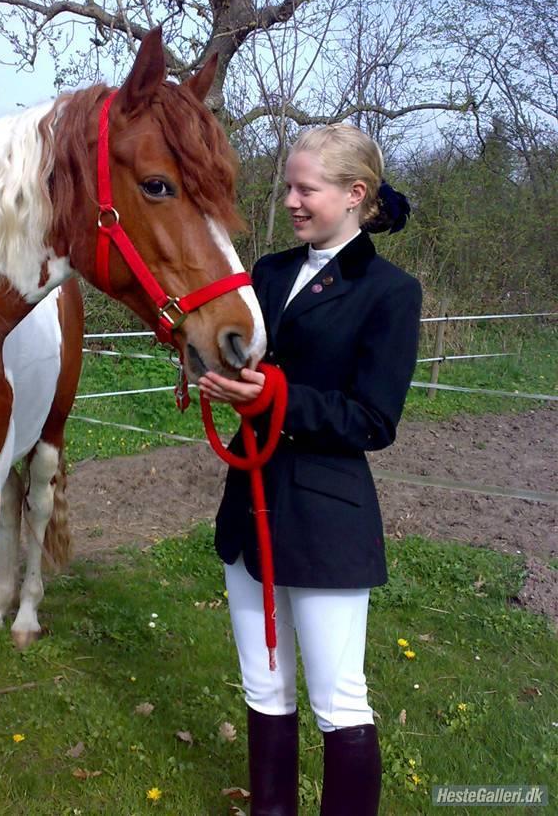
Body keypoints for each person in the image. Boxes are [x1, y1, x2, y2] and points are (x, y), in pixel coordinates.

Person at [198, 123, 422, 816]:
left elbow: (373, 420)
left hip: (326, 519)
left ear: (356, 195)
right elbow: (242, 357)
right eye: (288, 185)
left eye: (307, 188)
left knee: (337, 698)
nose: (291, 200)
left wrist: (276, 396)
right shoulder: (264, 273)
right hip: (249, 507)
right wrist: (210, 371)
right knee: (264, 688)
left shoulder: (390, 291)